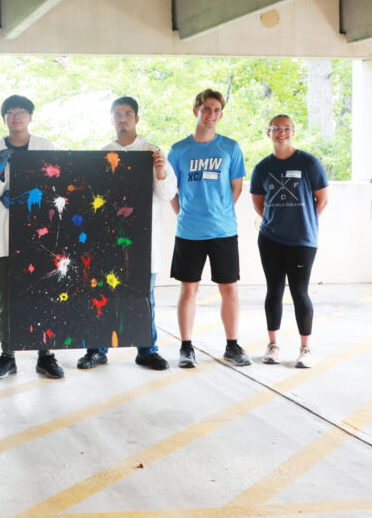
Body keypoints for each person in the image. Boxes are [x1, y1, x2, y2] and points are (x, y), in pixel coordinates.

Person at [76, 97, 176, 372]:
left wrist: (160, 170)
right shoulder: (102, 152)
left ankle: (147, 350)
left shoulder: (152, 151)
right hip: (109, 240)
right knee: (103, 294)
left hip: (142, 241)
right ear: (112, 118)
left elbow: (167, 194)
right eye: (117, 114)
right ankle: (97, 349)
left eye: (128, 113)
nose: (123, 119)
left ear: (137, 118)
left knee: (143, 298)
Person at [0, 95, 64, 379]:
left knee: (44, 295)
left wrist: (25, 194)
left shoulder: (44, 146)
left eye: (21, 112)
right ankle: (8, 355)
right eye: (11, 112)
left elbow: (56, 185)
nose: (16, 117)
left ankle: (46, 355)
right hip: (6, 235)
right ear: (4, 118)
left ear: (30, 116)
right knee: (7, 297)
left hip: (41, 235)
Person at [168, 89, 250, 368]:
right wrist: (185, 213)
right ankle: (186, 347)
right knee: (188, 290)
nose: (211, 115)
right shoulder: (179, 150)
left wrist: (221, 212)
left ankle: (232, 345)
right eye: (206, 109)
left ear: (221, 115)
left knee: (230, 290)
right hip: (189, 231)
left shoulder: (230, 147)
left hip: (223, 230)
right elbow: (170, 189)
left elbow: (236, 186)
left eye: (216, 110)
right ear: (196, 111)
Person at [249, 114, 328, 368]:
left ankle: (305, 349)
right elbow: (259, 203)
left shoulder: (309, 162)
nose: (281, 133)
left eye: (286, 128)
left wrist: (303, 222)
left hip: (303, 241)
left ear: (293, 131)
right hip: (270, 239)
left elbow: (322, 199)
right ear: (268, 132)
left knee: (299, 292)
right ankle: (273, 346)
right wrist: (277, 220)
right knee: (274, 289)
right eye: (275, 128)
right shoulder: (262, 167)